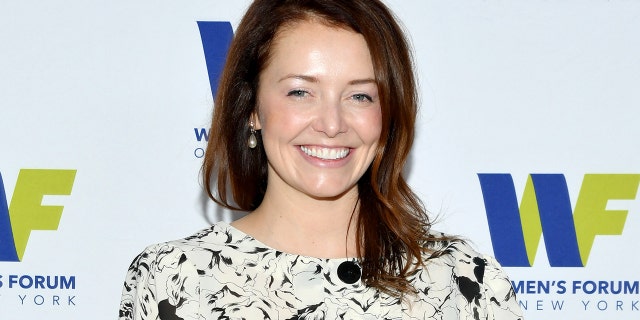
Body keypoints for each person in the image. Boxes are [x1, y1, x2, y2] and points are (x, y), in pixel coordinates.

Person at [119, 0, 523, 319]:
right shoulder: (175, 279)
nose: (332, 124)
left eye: (360, 95)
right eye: (300, 92)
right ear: (252, 108)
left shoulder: (463, 281)